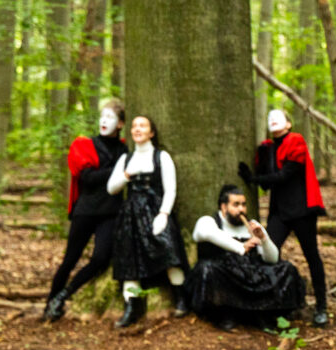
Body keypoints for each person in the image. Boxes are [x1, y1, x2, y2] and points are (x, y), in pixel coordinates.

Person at [237, 108, 329, 327]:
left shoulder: (296, 141)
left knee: (312, 256)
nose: (274, 120)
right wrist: (257, 173)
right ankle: (275, 305)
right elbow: (269, 183)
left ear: (289, 123)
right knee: (267, 253)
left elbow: (286, 174)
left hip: (302, 210)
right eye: (270, 118)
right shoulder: (267, 148)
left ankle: (321, 307)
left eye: (280, 118)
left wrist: (253, 179)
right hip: (279, 212)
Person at [44, 99, 127, 322]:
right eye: (102, 116)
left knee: (100, 258)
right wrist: (119, 169)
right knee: (70, 259)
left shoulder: (125, 149)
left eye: (110, 118)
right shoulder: (85, 146)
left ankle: (64, 295)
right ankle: (49, 304)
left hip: (110, 213)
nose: (104, 121)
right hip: (86, 210)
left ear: (120, 124)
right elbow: (87, 178)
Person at [106, 115, 191, 328]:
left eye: (142, 126)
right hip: (131, 215)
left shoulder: (161, 157)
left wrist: (163, 214)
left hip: (156, 211)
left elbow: (171, 189)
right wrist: (126, 175)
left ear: (151, 132)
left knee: (169, 250)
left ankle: (182, 298)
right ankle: (131, 308)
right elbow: (111, 188)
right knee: (129, 260)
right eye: (134, 126)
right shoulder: (126, 159)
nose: (137, 129)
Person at [187, 184, 306, 331]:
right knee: (208, 269)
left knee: (286, 269)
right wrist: (240, 247)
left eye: (243, 205)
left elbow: (272, 259)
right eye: (236, 205)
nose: (241, 209)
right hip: (225, 274)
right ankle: (226, 315)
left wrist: (264, 239)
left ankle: (262, 314)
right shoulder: (209, 221)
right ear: (223, 207)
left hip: (249, 274)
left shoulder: (251, 226)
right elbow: (204, 233)